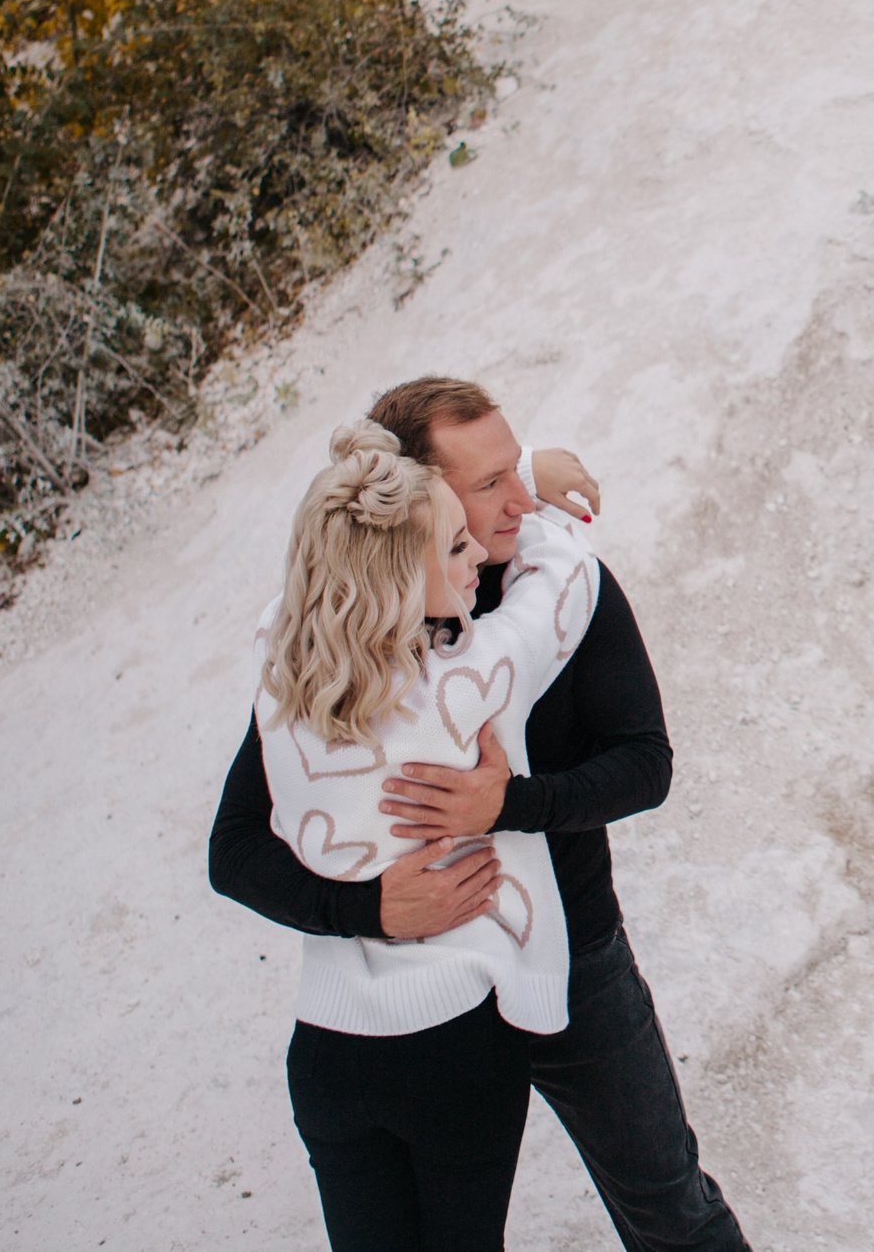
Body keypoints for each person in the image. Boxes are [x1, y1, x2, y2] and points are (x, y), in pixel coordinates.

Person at [211, 378, 751, 1252]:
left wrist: (513, 804)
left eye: (518, 470)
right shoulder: (343, 638)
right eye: (491, 483)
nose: (521, 500)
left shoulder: (566, 588)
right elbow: (235, 847)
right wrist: (367, 909)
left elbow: (646, 763)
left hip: (575, 962)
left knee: (669, 1207)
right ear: (410, 499)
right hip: (427, 1015)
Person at [253, 420, 597, 1249]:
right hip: (452, 1048)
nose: (475, 557)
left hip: (328, 1055)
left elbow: (318, 562)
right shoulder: (471, 681)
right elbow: (566, 582)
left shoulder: (282, 677)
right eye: (453, 549)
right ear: (402, 576)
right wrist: (531, 480)